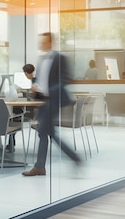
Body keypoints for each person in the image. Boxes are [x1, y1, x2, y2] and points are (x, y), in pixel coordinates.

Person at [22, 33, 81, 176]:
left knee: (44, 132)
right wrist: (37, 86)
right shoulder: (41, 60)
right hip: (44, 101)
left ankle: (41, 166)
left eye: (43, 42)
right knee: (46, 133)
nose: (40, 44)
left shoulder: (60, 58)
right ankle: (43, 166)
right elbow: (43, 81)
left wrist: (48, 89)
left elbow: (66, 79)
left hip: (53, 100)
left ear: (50, 42)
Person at [5, 63, 36, 153]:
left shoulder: (35, 81)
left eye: (26, 74)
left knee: (15, 117)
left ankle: (11, 143)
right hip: (32, 107)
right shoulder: (34, 81)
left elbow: (35, 94)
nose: (26, 76)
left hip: (34, 110)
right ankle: (11, 143)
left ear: (30, 73)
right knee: (15, 114)